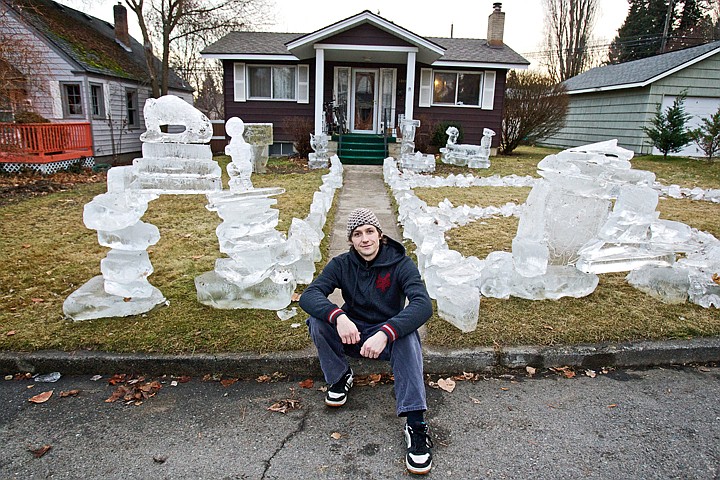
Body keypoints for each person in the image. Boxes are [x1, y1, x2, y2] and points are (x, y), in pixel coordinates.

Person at [299, 207, 434, 475]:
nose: (365, 239)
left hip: (386, 338)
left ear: (380, 235)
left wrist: (387, 332)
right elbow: (309, 295)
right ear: (351, 240)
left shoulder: (401, 264)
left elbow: (422, 305)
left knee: (408, 336)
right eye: (357, 234)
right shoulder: (341, 264)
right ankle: (339, 377)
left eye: (370, 232)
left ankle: (416, 424)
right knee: (317, 320)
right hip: (354, 332)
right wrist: (338, 316)